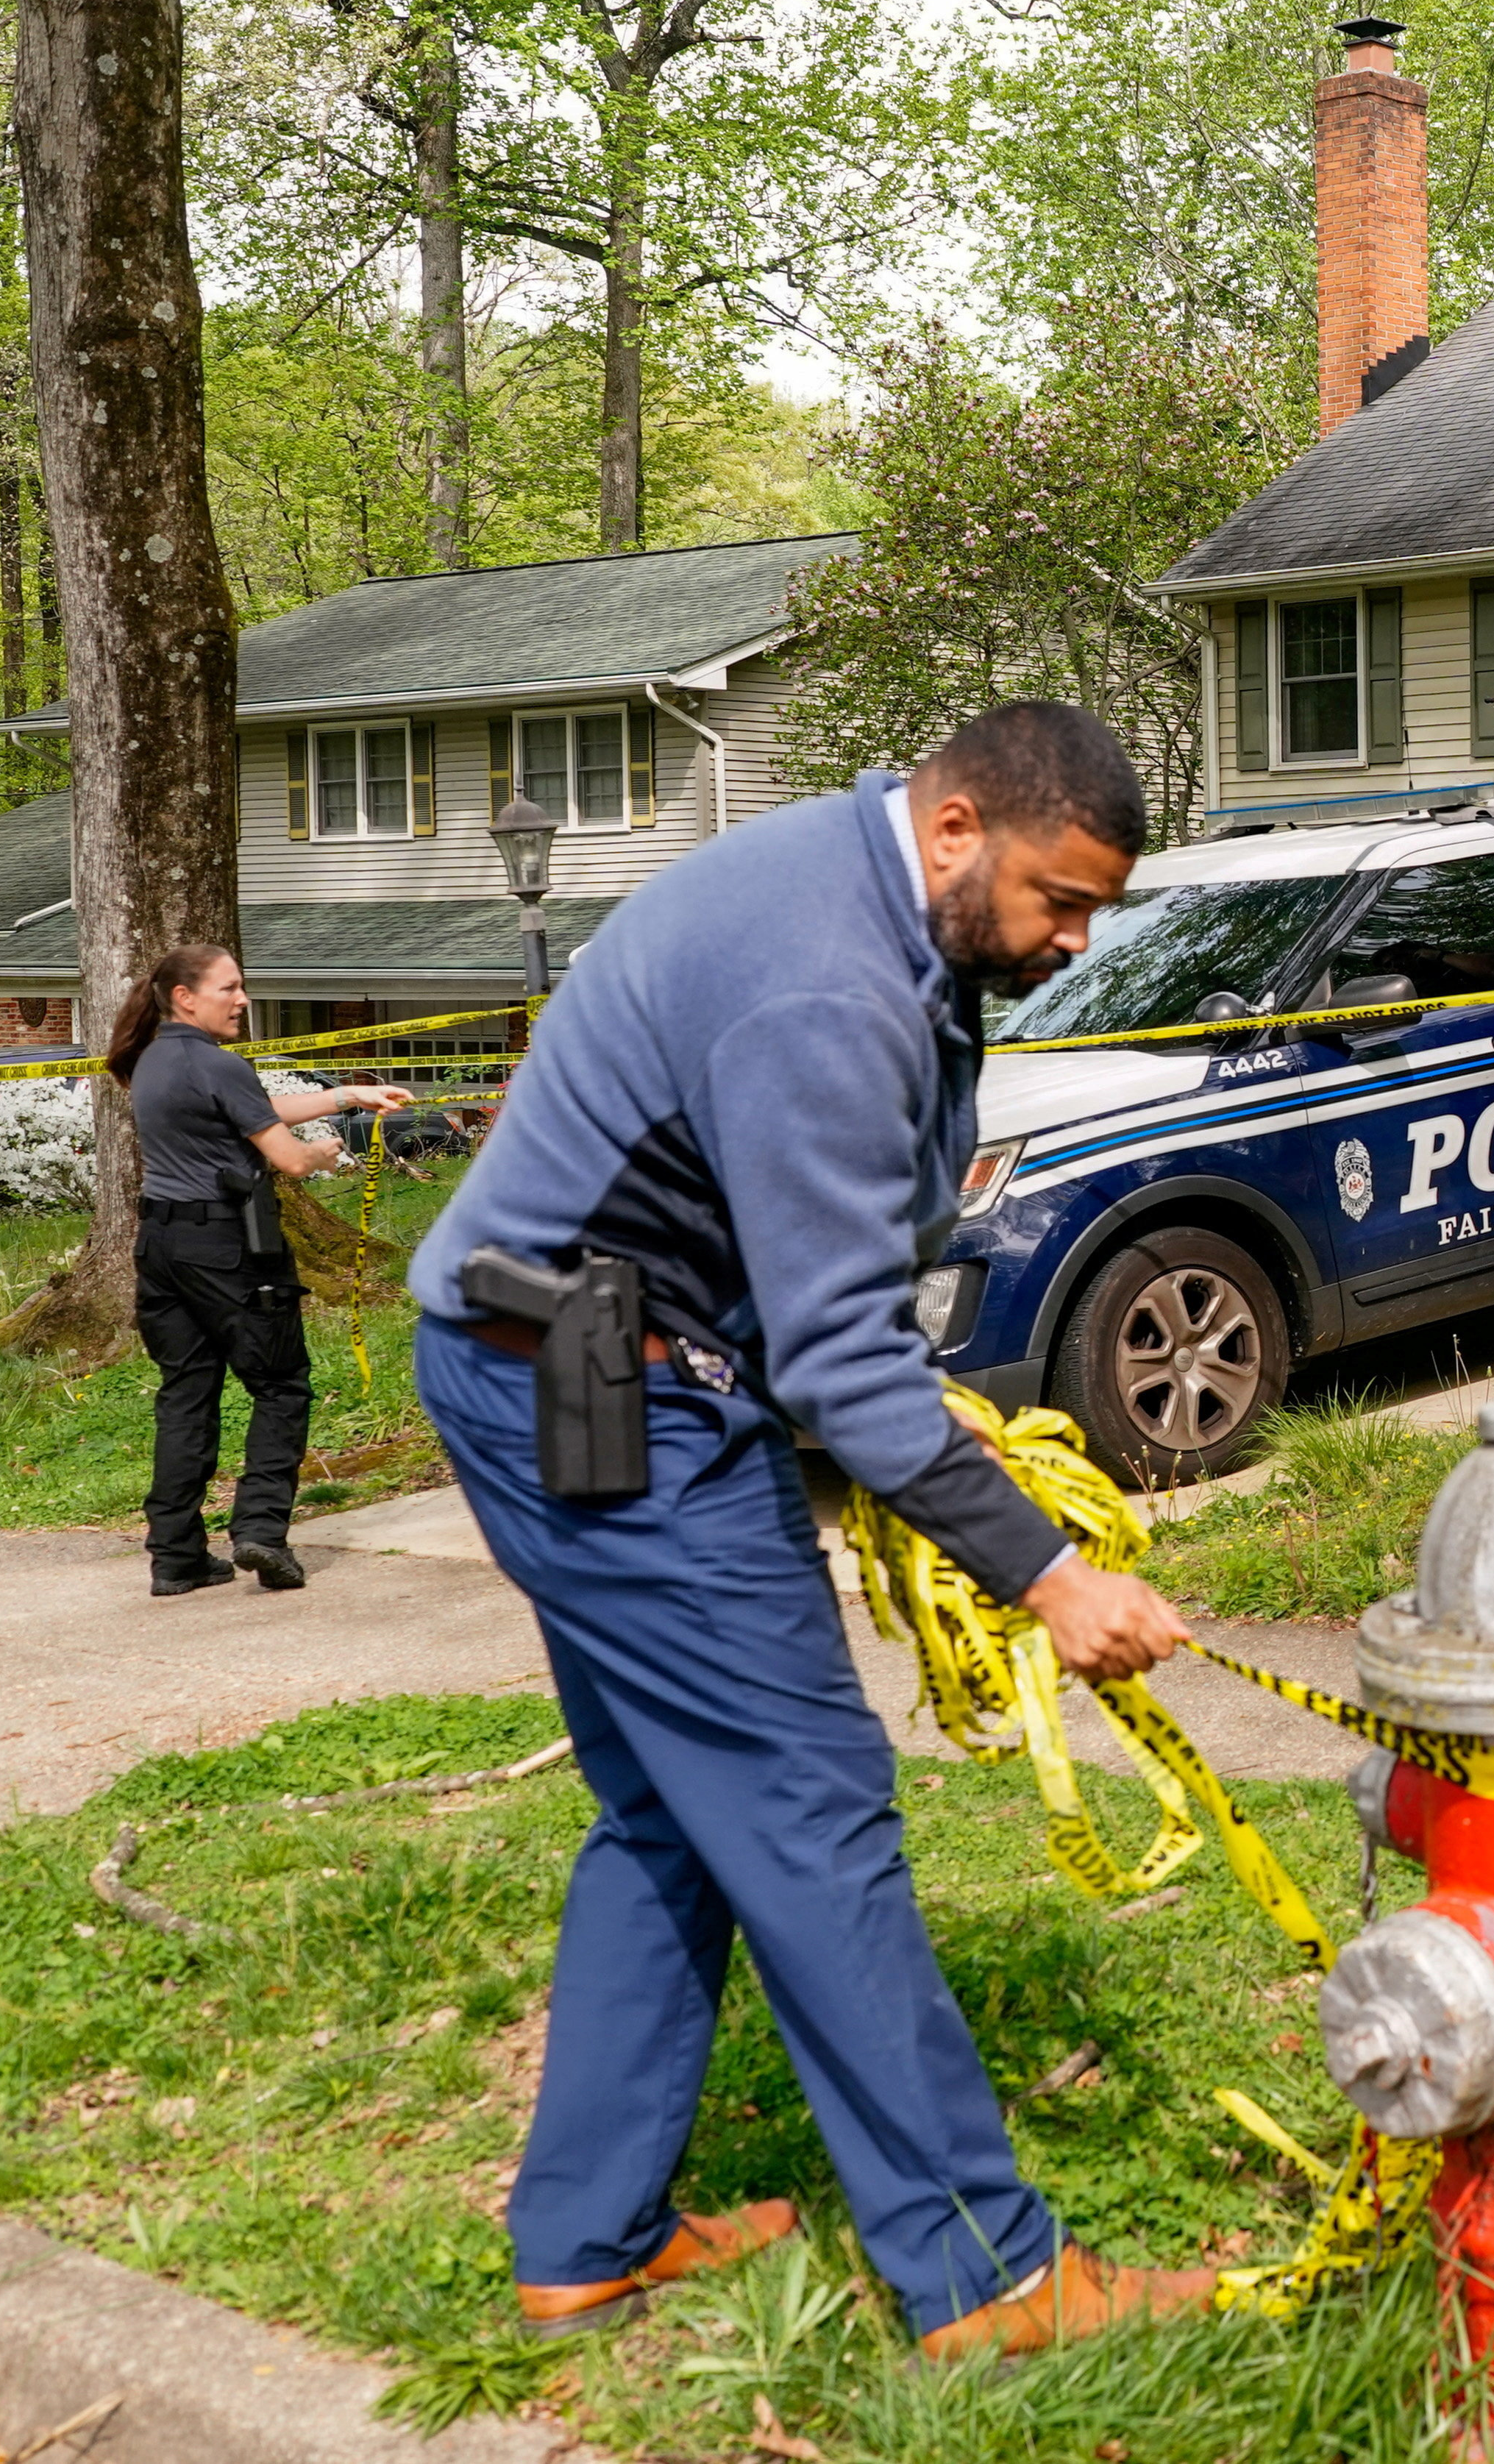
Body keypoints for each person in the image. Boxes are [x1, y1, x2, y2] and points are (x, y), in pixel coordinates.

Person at [408, 700, 1214, 2362]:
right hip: (595, 1379)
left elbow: (818, 1285)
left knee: (671, 1809)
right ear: (955, 826)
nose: (1072, 939)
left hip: (570, 1355)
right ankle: (984, 2273)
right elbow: (845, 1354)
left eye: (1093, 910)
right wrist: (1048, 1572)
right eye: (1058, 899)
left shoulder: (880, 919)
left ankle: (586, 2241)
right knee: (811, 1803)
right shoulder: (824, 977)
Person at [105, 947, 410, 1600]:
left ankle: (176, 1557)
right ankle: (263, 1532)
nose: (242, 999)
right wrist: (326, 1151)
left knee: (186, 1391)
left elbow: (248, 1107)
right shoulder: (220, 1063)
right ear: (186, 996)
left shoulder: (153, 1058)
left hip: (161, 1243)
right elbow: (290, 1160)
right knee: (281, 1384)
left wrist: (347, 1093)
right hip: (229, 1246)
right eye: (230, 988)